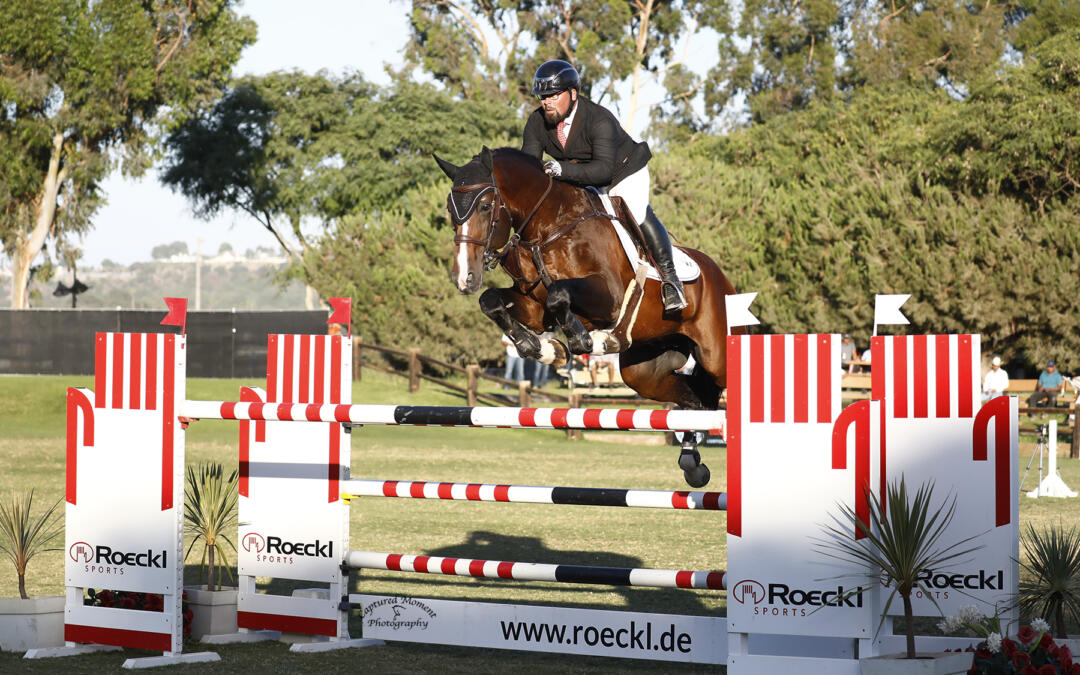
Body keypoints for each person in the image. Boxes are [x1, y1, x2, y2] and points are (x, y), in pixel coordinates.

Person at [521, 59, 687, 313]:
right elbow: (530, 167)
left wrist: (561, 169)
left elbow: (602, 171)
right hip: (581, 179)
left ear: (573, 93)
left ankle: (671, 280)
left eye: (554, 95)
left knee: (636, 210)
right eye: (543, 96)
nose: (547, 102)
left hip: (622, 173)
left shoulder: (599, 119)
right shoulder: (536, 122)